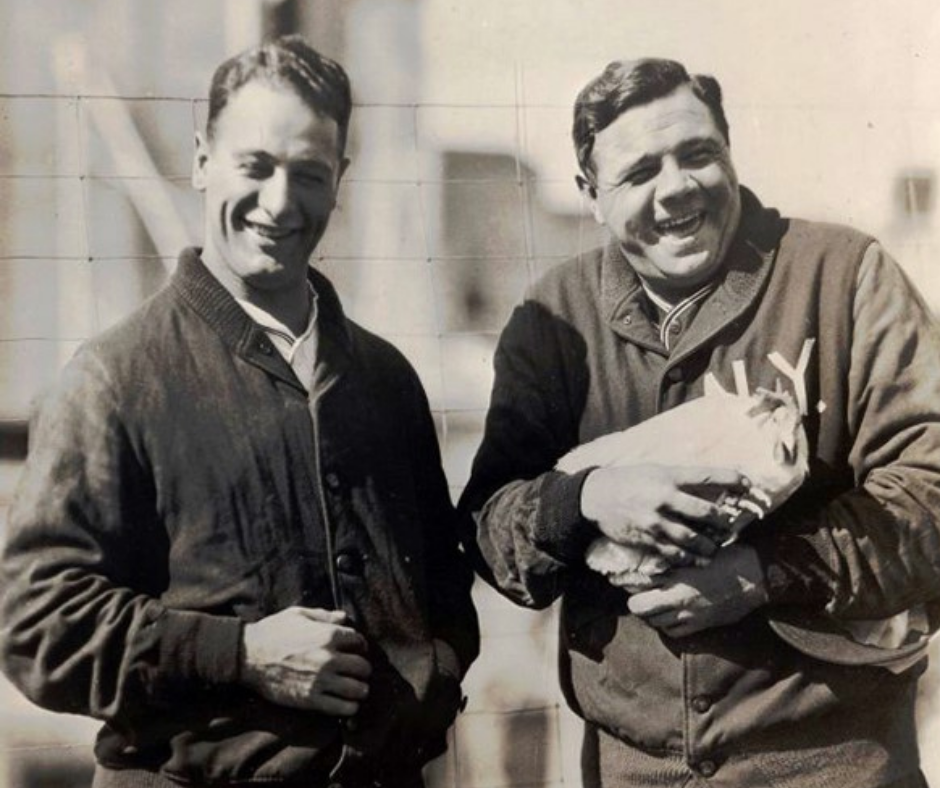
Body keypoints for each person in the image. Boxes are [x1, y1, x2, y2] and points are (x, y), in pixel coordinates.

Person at [0, 35, 478, 788]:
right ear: (200, 161)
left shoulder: (386, 380)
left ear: (340, 180)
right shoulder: (113, 377)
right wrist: (241, 656)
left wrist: (430, 684)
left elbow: (444, 598)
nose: (280, 203)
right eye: (254, 166)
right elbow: (36, 626)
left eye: (309, 174)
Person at [459, 57, 940, 788]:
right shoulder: (556, 315)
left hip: (829, 758)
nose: (676, 187)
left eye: (697, 153)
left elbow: (931, 495)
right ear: (590, 196)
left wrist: (763, 572)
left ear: (730, 150)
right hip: (633, 766)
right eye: (639, 171)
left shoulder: (843, 275)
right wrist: (587, 498)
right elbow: (492, 534)